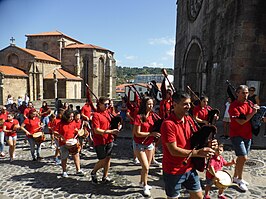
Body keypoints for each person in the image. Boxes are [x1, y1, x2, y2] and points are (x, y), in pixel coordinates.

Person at [160, 91, 217, 199]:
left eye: (189, 103)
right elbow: (173, 150)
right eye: (185, 104)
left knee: (198, 197)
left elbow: (196, 140)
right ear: (175, 104)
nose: (188, 106)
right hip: (173, 170)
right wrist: (198, 153)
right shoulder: (168, 124)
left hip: (189, 168)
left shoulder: (189, 120)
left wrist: (209, 144)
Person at [228, 85, 260, 191]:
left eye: (247, 93)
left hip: (248, 135)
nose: (246, 95)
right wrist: (253, 113)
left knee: (240, 158)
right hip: (236, 134)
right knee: (243, 157)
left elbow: (253, 115)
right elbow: (241, 121)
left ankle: (235, 177)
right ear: (237, 93)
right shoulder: (233, 106)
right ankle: (240, 179)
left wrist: (259, 115)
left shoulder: (249, 103)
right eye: (243, 93)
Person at [132, 96, 161, 197]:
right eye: (149, 104)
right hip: (139, 144)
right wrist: (150, 134)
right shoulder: (139, 117)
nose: (151, 106)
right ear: (144, 105)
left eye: (152, 104)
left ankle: (142, 181)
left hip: (149, 144)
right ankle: (145, 185)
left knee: (147, 167)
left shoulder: (153, 116)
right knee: (145, 166)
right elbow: (137, 133)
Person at [90, 96, 119, 184]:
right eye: (105, 104)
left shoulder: (108, 112)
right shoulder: (96, 115)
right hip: (100, 141)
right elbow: (96, 130)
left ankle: (105, 177)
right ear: (99, 104)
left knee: (108, 159)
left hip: (109, 139)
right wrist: (111, 131)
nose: (107, 106)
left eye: (108, 104)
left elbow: (115, 120)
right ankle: (93, 172)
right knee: (102, 160)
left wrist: (118, 126)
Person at [54, 110, 84, 177]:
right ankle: (64, 171)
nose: (72, 118)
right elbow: (55, 132)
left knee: (76, 155)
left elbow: (75, 129)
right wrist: (60, 136)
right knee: (64, 157)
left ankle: (78, 170)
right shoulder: (60, 123)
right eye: (70, 117)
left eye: (72, 116)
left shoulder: (73, 122)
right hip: (63, 143)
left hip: (73, 142)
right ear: (66, 117)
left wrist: (78, 132)